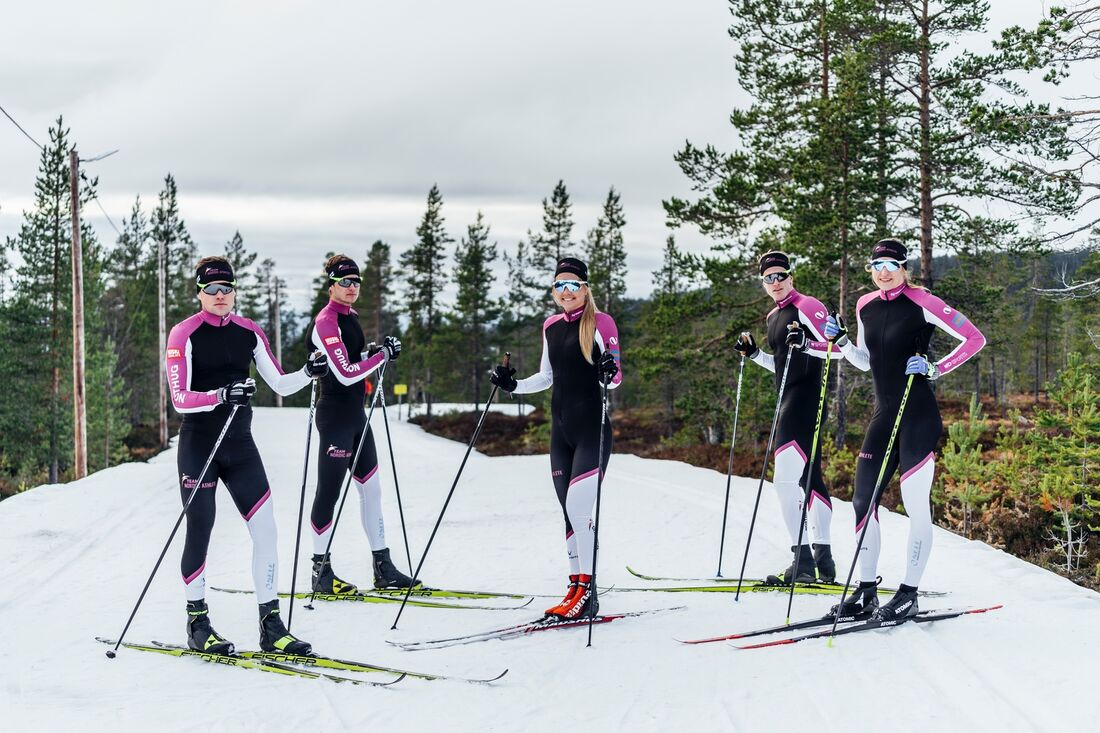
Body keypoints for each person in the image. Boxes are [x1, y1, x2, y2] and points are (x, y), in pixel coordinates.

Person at [166, 256, 327, 655]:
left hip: (239, 447)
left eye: (226, 288)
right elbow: (179, 398)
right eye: (211, 289)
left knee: (266, 530)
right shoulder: (184, 333)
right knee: (200, 528)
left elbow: (280, 384)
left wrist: (308, 372)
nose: (220, 295)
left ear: (235, 291)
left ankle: (271, 626)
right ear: (199, 293)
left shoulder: (249, 331)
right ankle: (198, 624)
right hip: (200, 446)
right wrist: (221, 395)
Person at [824, 238, 985, 620]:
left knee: (915, 506)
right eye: (876, 266)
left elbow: (975, 338)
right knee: (862, 502)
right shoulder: (865, 305)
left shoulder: (923, 301)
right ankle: (866, 592)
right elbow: (865, 361)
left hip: (917, 416)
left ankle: (909, 594)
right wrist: (842, 341)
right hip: (884, 416)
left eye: (890, 265)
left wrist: (935, 368)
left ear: (903, 267)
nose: (883, 272)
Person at [489, 257, 621, 619]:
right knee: (568, 513)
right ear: (553, 291)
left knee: (579, 508)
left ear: (585, 289)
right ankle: (575, 587)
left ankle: (588, 593)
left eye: (573, 285)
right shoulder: (550, 326)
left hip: (592, 430)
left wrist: (607, 370)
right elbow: (546, 377)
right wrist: (513, 386)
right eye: (560, 285)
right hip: (561, 433)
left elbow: (615, 379)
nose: (566, 291)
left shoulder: (601, 322)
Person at [305, 254, 414, 592]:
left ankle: (383, 568)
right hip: (334, 417)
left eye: (356, 282)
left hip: (356, 417)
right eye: (345, 282)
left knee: (372, 491)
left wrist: (377, 352)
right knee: (329, 493)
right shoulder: (326, 322)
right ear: (331, 285)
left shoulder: (350, 318)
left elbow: (354, 360)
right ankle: (321, 572)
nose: (352, 287)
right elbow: (344, 372)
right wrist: (381, 357)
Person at [734, 251, 841, 584]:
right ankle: (823, 561)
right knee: (810, 480)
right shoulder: (773, 317)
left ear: (791, 276)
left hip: (804, 402)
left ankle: (802, 562)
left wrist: (808, 343)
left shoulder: (807, 306)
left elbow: (839, 349)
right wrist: (755, 355)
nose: (775, 282)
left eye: (781, 275)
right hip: (791, 400)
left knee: (784, 481)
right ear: (763, 283)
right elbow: (782, 365)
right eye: (769, 278)